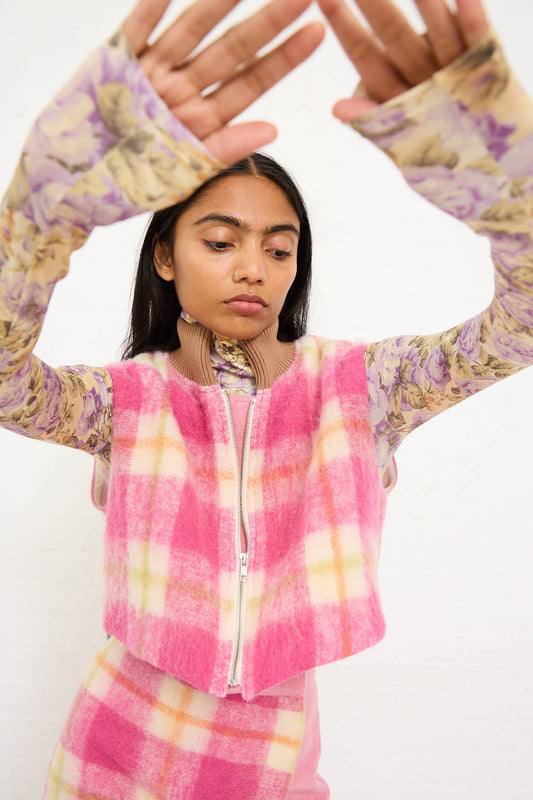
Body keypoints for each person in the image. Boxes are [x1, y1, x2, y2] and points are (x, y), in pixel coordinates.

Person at [1, 0, 532, 797]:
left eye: (278, 248)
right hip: (111, 754)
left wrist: (517, 203)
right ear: (167, 258)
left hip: (271, 766)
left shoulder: (361, 388)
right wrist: (37, 220)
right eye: (220, 242)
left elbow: (517, 331)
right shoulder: (128, 401)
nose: (253, 267)